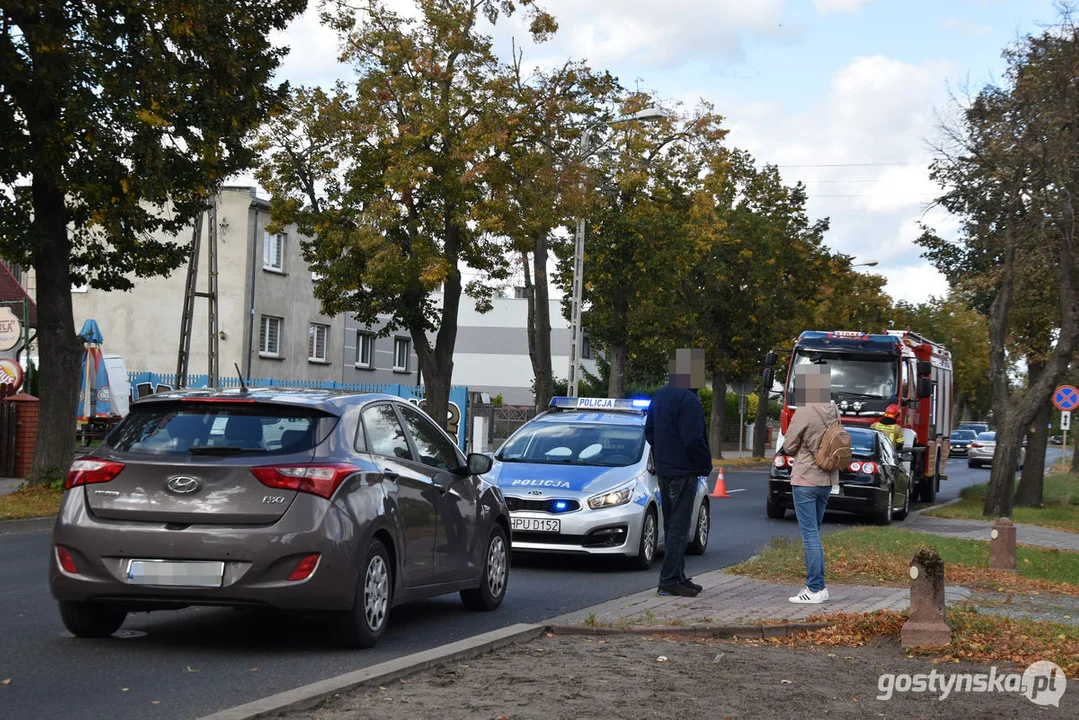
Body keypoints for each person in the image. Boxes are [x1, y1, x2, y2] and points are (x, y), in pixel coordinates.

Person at [645, 348, 712, 598]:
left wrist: (663, 453)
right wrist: (705, 464)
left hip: (664, 469)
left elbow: (649, 432)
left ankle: (679, 576)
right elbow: (693, 439)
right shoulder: (688, 400)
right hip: (684, 471)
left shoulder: (660, 395)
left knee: (673, 523)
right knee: (680, 528)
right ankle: (670, 579)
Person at [783, 365, 840, 604]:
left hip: (806, 478)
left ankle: (814, 589)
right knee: (814, 533)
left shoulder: (805, 411)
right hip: (827, 478)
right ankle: (822, 587)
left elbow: (788, 445)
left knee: (809, 536)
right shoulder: (833, 409)